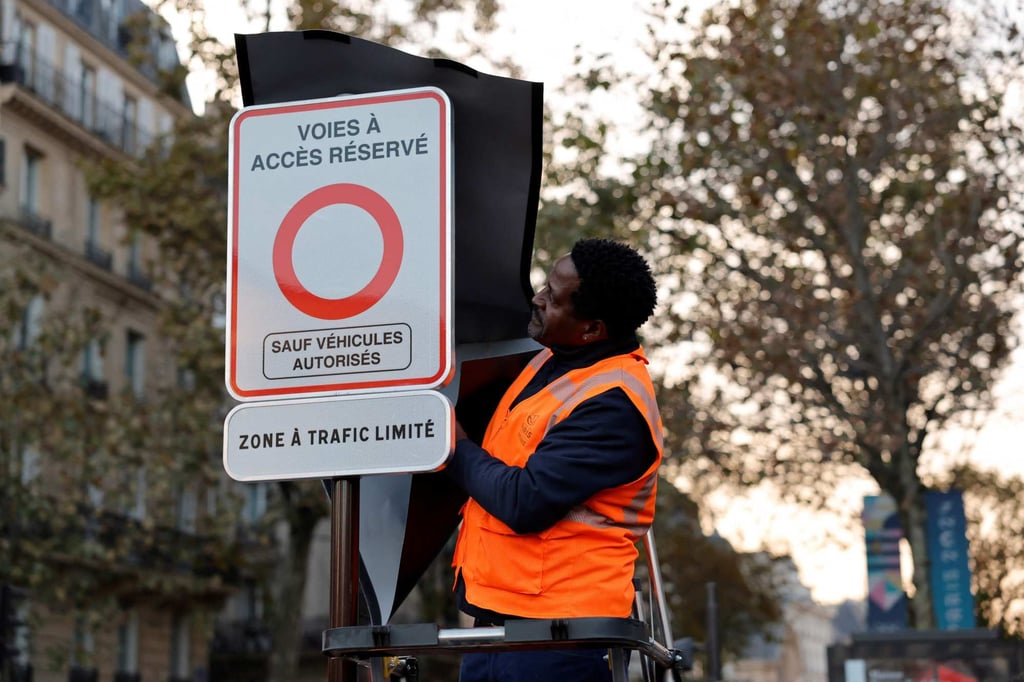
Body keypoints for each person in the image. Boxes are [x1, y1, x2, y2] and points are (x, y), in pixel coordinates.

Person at [445, 238, 664, 682]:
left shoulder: (615, 403)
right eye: (545, 284)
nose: (538, 299)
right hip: (502, 621)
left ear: (592, 330)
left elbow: (526, 502)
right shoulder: (552, 361)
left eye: (553, 296)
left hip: (562, 635)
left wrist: (450, 446)